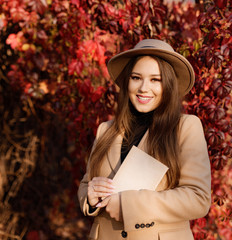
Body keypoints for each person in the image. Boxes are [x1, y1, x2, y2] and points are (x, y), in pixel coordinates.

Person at [77, 39, 211, 240]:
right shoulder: (105, 130)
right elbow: (86, 184)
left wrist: (129, 205)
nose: (143, 88)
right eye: (136, 77)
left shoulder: (186, 127)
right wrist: (90, 195)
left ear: (168, 84)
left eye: (155, 80)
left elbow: (198, 198)